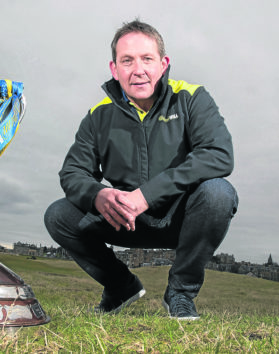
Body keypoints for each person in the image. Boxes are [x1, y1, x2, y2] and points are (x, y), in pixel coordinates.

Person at [44, 19, 238, 320]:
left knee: (219, 194)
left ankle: (180, 293)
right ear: (114, 69)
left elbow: (219, 154)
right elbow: (72, 173)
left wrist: (146, 196)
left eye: (147, 59)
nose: (138, 69)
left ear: (163, 63)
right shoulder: (98, 116)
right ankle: (121, 286)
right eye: (127, 60)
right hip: (124, 219)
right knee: (58, 215)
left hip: (180, 218)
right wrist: (99, 195)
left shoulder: (192, 97)